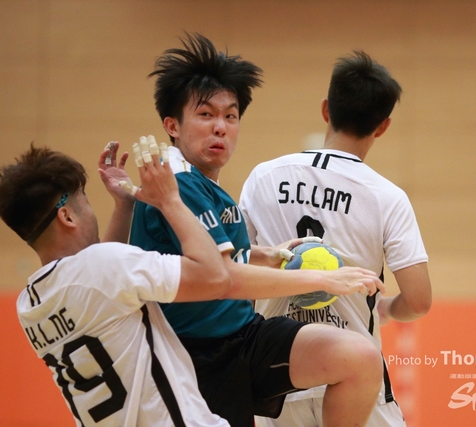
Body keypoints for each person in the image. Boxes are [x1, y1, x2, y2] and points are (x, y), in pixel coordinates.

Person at [129, 33, 386, 427]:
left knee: (360, 358)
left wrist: (263, 255)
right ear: (172, 125)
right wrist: (324, 279)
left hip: (242, 336)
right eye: (206, 115)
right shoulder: (179, 184)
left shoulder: (204, 184)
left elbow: (209, 260)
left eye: (230, 116)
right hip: (195, 357)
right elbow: (223, 278)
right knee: (358, 358)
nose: (220, 127)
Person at [239, 51, 433, 427]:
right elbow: (419, 300)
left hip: (278, 378)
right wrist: (385, 309)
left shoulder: (263, 176)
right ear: (383, 126)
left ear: (326, 109)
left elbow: (237, 267)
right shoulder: (386, 197)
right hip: (355, 376)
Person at [0, 140, 233, 427]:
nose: (91, 211)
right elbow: (215, 277)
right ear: (67, 216)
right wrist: (170, 200)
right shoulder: (102, 268)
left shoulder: (29, 305)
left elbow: (104, 285)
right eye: (86, 202)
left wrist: (124, 205)